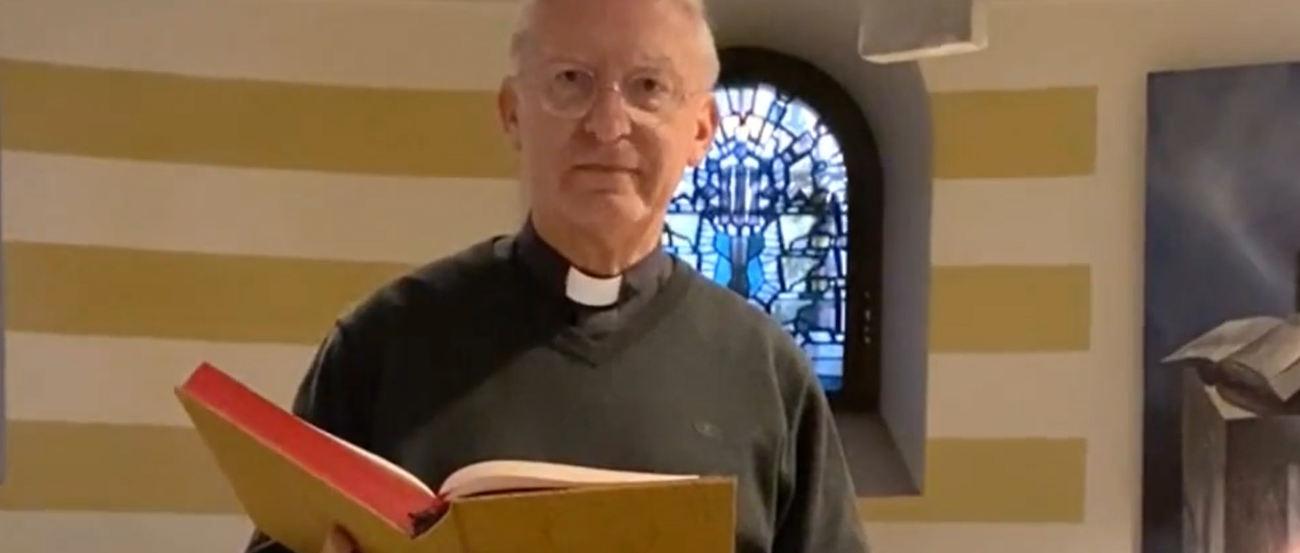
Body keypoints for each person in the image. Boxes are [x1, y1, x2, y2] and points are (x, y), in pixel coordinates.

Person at [244, 0, 870, 551]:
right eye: (571, 81)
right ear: (512, 112)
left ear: (701, 129)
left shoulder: (765, 371)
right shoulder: (381, 344)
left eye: (648, 86)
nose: (607, 124)